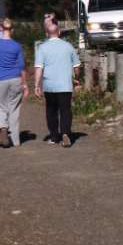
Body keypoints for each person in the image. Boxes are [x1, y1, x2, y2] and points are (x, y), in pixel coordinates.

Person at [33, 16, 81, 147]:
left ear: (47, 34)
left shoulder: (43, 48)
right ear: (59, 33)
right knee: (65, 110)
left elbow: (39, 68)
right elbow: (77, 67)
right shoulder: (68, 46)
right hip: (65, 85)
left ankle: (54, 136)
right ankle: (65, 133)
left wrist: (37, 85)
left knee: (51, 111)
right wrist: (77, 79)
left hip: (50, 85)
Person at [0, 18, 28, 148]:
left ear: (2, 29)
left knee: (0, 107)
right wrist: (25, 84)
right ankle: (15, 140)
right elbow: (22, 66)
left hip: (0, 78)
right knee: (14, 109)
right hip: (15, 78)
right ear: (12, 30)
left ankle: (2, 127)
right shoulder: (16, 45)